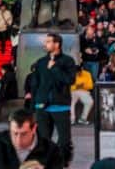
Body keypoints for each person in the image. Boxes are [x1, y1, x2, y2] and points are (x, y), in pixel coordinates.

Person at [27, 36, 78, 168]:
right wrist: (33, 105)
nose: (45, 44)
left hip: (60, 105)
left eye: (48, 42)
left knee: (65, 141)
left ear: (57, 44)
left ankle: (61, 163)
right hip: (42, 106)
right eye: (45, 41)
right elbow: (35, 84)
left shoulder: (68, 61)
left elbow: (70, 80)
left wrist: (55, 68)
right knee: (43, 140)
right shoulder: (41, 62)